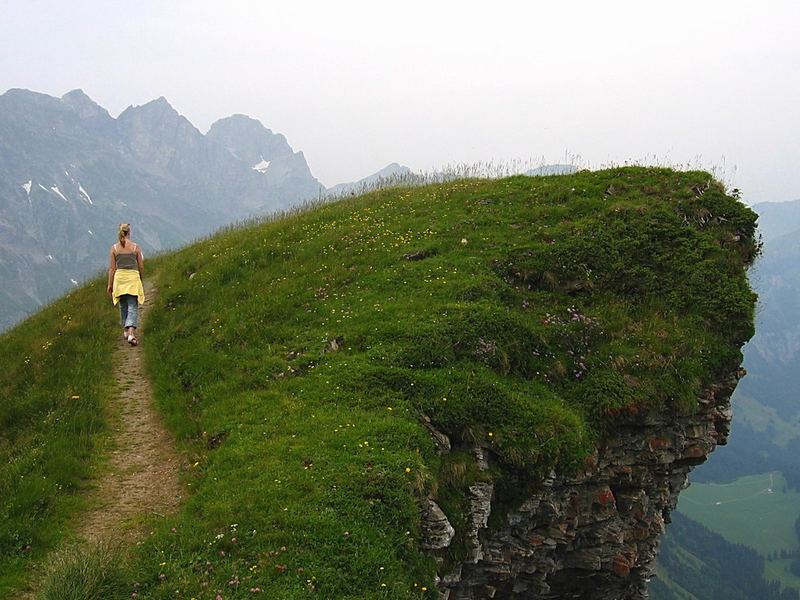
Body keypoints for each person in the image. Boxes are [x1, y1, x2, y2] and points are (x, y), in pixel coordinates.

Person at [107, 223, 145, 346]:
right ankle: (131, 333)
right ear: (129, 232)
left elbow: (112, 269)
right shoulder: (135, 248)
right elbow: (141, 266)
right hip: (132, 278)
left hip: (119, 279)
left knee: (123, 305)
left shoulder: (114, 249)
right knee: (132, 305)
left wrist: (110, 284)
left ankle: (125, 329)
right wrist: (140, 277)